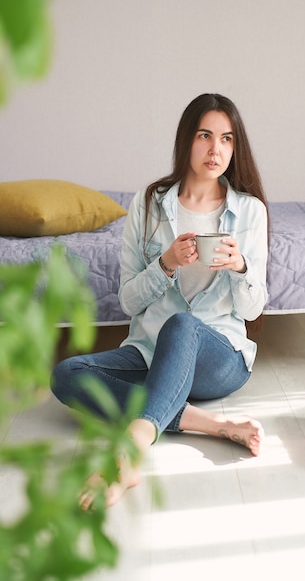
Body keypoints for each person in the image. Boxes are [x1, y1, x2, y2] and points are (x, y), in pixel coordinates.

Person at [51, 93, 269, 508]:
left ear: (234, 147)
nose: (215, 149)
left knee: (183, 325)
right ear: (187, 139)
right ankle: (214, 425)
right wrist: (165, 264)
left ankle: (127, 456)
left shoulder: (250, 212)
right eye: (205, 135)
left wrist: (241, 268)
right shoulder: (149, 204)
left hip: (219, 357)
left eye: (226, 139)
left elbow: (252, 311)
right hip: (149, 351)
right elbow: (130, 302)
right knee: (66, 374)